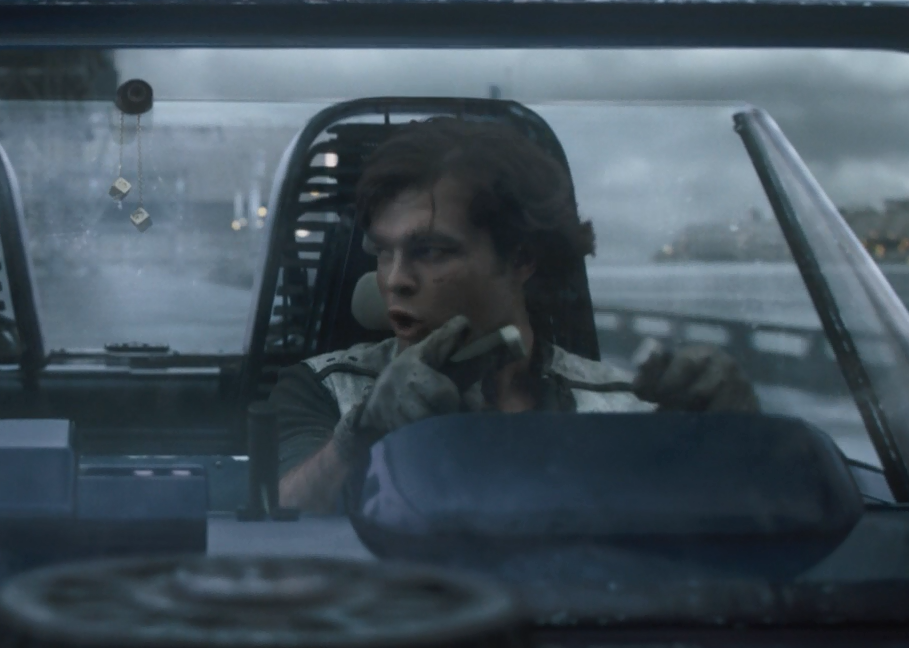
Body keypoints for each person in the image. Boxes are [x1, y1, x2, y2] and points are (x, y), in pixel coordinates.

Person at [274, 118, 757, 513]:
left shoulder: (620, 408)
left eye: (431, 251)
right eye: (383, 252)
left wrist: (737, 443)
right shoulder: (328, 388)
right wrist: (362, 432)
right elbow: (278, 509)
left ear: (521, 259)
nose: (396, 279)